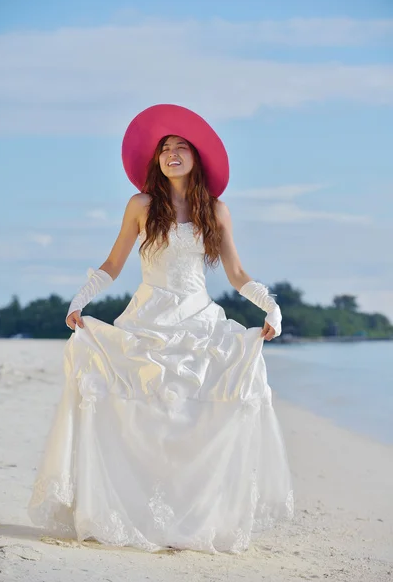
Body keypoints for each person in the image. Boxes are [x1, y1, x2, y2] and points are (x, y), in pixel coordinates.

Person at [28, 104, 294, 554]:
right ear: (156, 161)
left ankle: (194, 514)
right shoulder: (141, 205)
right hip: (148, 318)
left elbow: (236, 274)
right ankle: (135, 510)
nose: (171, 154)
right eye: (165, 149)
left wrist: (271, 307)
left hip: (199, 319)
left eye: (180, 147)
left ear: (196, 157)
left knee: (202, 411)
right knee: (139, 410)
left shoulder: (217, 211)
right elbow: (114, 262)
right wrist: (80, 300)